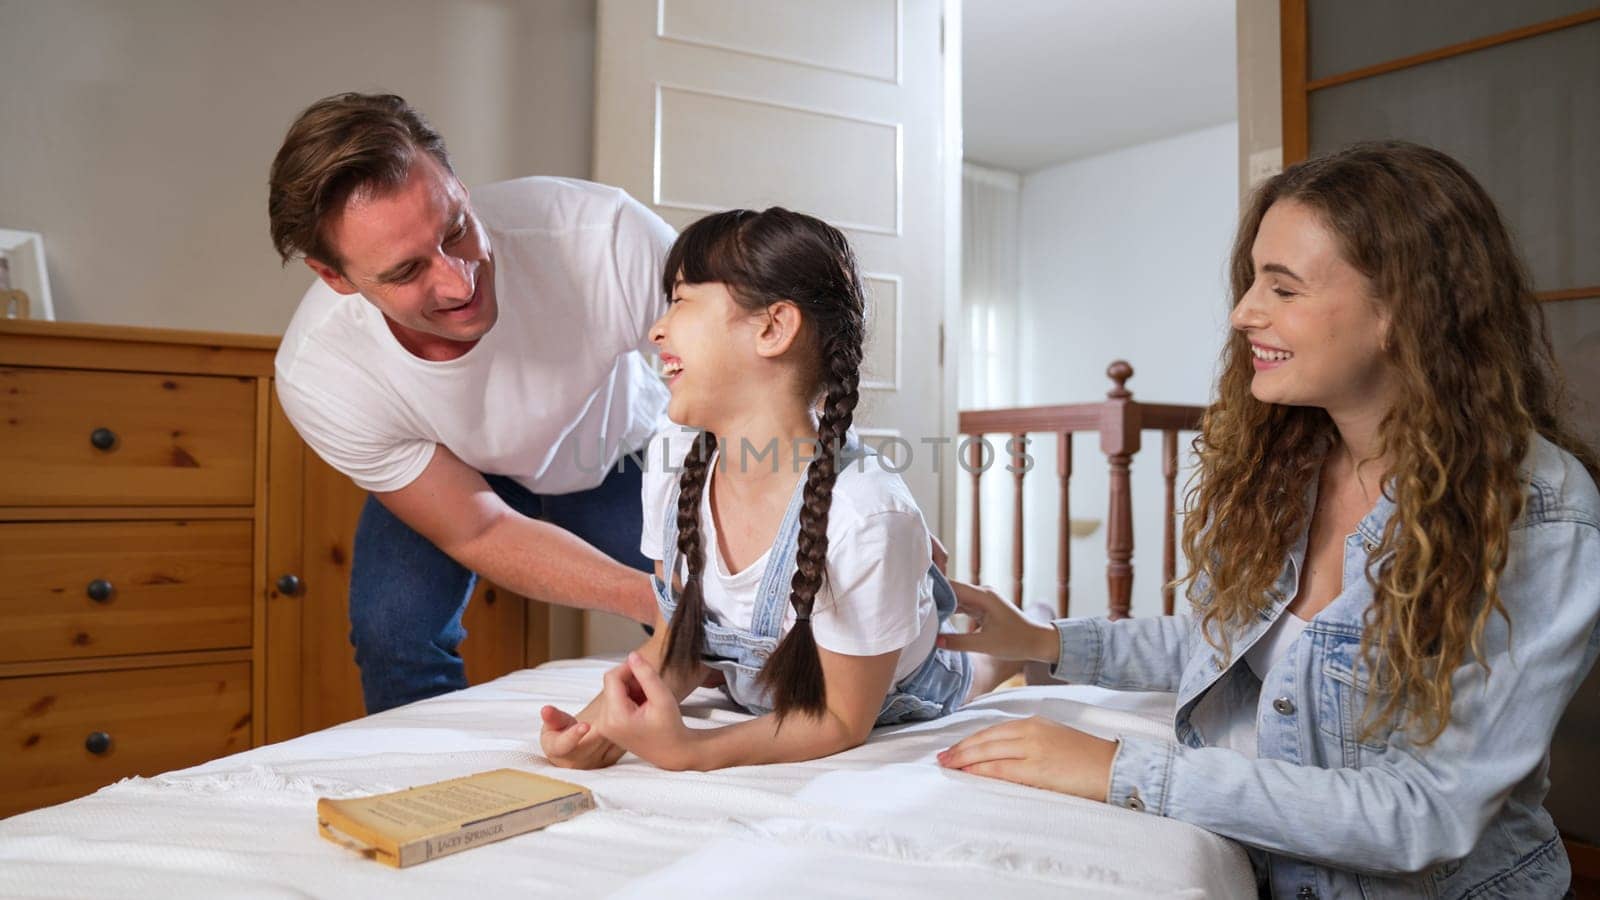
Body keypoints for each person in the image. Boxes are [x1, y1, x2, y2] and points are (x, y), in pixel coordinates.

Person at [936, 141, 1600, 898]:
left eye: (1282, 289)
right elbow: (1238, 643)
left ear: (1403, 312)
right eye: (1253, 280)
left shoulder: (1535, 513)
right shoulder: (1290, 464)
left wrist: (1120, 769)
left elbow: (1427, 814)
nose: (1243, 312)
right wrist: (1044, 641)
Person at [538, 208, 1012, 771]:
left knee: (970, 671)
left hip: (892, 687)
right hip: (766, 679)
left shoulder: (865, 513)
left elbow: (840, 718)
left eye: (683, 300)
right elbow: (676, 643)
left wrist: (694, 750)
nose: (656, 329)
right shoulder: (671, 460)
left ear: (772, 328)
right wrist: (598, 727)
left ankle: (1006, 647)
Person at [268, 92, 673, 712]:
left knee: (724, 626)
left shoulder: (602, 237)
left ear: (456, 182)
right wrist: (653, 596)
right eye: (406, 272)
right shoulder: (323, 373)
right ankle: (430, 793)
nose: (460, 281)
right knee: (394, 632)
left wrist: (703, 585)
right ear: (337, 278)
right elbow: (480, 527)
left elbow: (750, 376)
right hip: (460, 470)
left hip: (616, 447)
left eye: (456, 228)